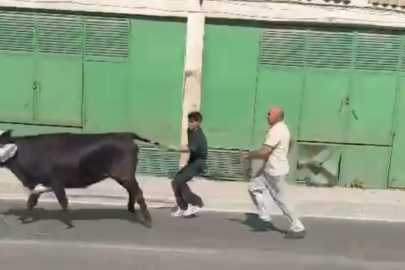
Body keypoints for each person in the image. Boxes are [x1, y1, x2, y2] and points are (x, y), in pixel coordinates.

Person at [243, 106, 306, 239]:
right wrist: (283, 154)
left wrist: (248, 155)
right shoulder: (283, 128)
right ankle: (264, 217)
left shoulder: (276, 130)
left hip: (275, 172)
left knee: (281, 200)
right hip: (269, 170)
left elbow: (265, 151)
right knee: (253, 188)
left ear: (278, 116)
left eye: (270, 114)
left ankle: (298, 227)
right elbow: (292, 141)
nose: (267, 116)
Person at [170, 111, 207, 217]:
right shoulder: (189, 131)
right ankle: (182, 207)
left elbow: (189, 148)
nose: (190, 124)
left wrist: (175, 148)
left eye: (192, 122)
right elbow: (188, 145)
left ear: (198, 122)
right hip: (192, 161)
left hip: (199, 163)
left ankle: (195, 203)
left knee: (180, 181)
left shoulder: (199, 136)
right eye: (189, 121)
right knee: (175, 182)